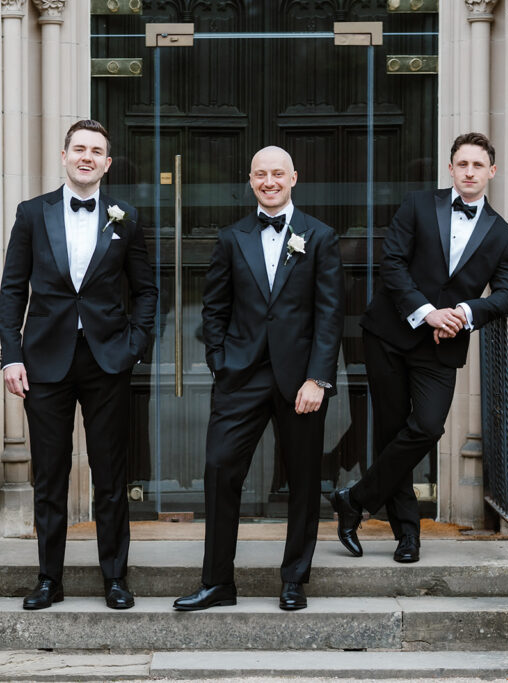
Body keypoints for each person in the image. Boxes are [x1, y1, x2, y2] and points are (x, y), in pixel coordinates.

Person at [331, 132, 508, 564]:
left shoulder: (502, 233)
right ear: (450, 169)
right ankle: (407, 535)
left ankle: (355, 500)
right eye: (462, 164)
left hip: (442, 349)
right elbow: (392, 264)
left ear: (491, 171)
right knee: (391, 431)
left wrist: (464, 313)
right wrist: (428, 312)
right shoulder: (418, 205)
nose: (469, 172)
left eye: (478, 165)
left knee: (428, 427)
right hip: (390, 337)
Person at [173, 146, 345, 612]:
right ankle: (217, 583)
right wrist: (219, 361)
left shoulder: (321, 236)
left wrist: (318, 379)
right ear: (250, 180)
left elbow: (330, 316)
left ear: (294, 177)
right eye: (261, 175)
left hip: (301, 382)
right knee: (219, 471)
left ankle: (294, 579)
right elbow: (215, 306)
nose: (270, 182)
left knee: (305, 482)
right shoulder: (231, 238)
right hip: (241, 377)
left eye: (278, 174)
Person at [0, 119, 158, 610]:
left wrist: (133, 344)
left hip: (108, 361)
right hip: (44, 362)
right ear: (64, 156)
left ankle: (115, 578)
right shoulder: (31, 214)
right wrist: (11, 355)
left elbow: (148, 290)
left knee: (110, 476)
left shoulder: (126, 217)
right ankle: (49, 579)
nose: (87, 157)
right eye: (79, 149)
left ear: (107, 163)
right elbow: (12, 289)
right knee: (49, 476)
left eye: (97, 151)